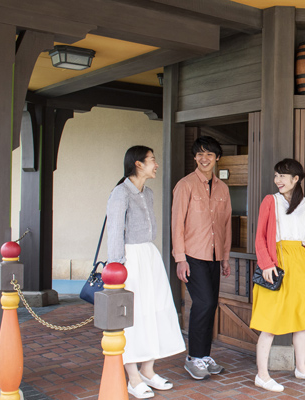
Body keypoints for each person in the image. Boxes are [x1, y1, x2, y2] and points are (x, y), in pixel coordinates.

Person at [107, 146, 185, 399]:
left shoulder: (148, 193)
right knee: (133, 316)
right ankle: (133, 377)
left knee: (156, 310)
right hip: (130, 259)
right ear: (138, 164)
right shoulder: (120, 194)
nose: (156, 164)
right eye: (152, 160)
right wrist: (117, 267)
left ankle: (148, 371)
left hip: (149, 256)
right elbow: (115, 233)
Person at [251, 158, 305, 392]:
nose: (277, 180)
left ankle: (301, 369)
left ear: (296, 179)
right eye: (276, 176)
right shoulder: (269, 201)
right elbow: (260, 237)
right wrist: (265, 263)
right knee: (269, 322)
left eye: (282, 176)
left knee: (302, 320)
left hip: (299, 265)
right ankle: (262, 375)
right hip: (276, 264)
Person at [171, 136, 232, 380]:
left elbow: (226, 225)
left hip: (215, 256)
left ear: (217, 158)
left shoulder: (223, 188)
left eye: (209, 154)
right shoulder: (185, 185)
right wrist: (180, 258)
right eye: (199, 154)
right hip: (193, 254)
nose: (204, 158)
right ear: (194, 157)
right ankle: (193, 358)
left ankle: (204, 356)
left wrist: (225, 258)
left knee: (211, 305)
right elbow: (177, 223)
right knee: (204, 303)